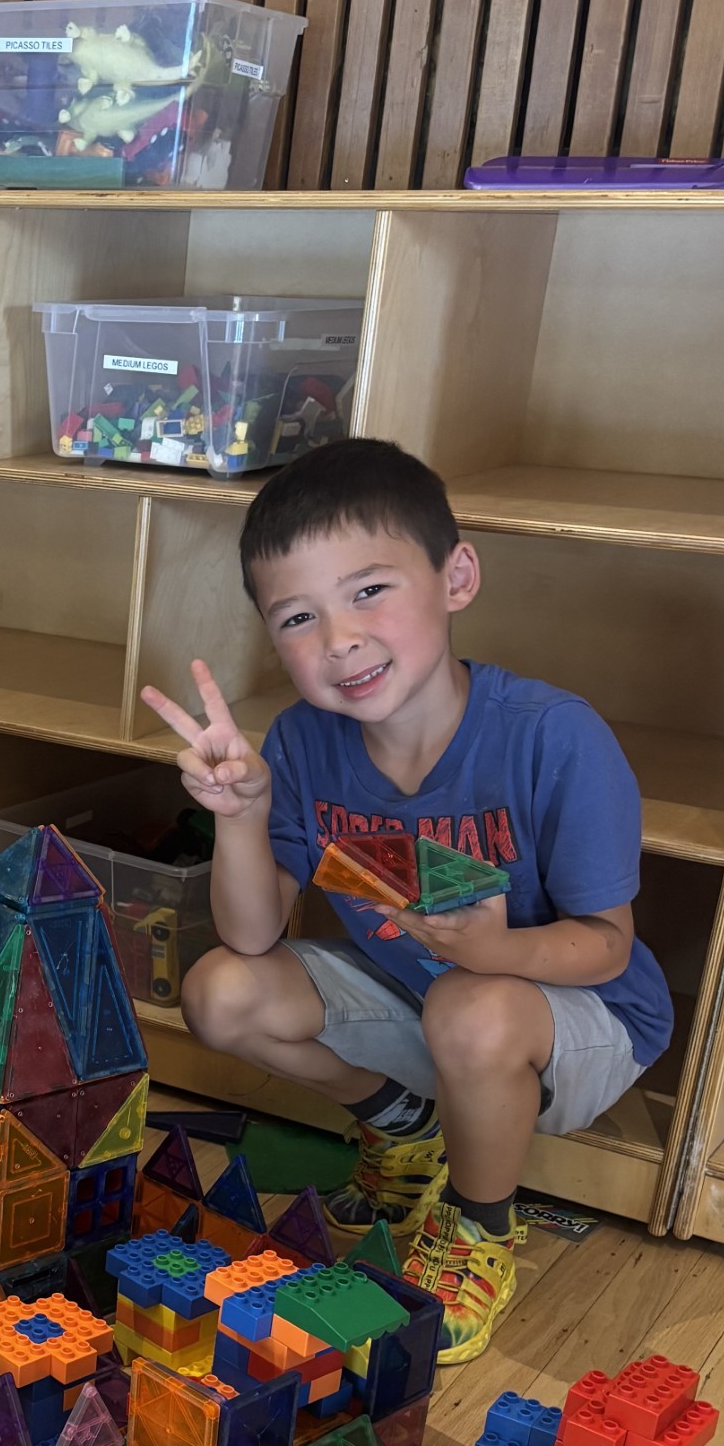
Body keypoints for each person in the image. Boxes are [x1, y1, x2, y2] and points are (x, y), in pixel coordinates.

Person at [141, 438, 670, 1363]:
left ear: (456, 576)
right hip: (432, 1009)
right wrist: (242, 814)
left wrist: (494, 954)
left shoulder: (555, 737)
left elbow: (608, 947)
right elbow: (252, 934)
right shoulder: (306, 741)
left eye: (369, 591)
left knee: (470, 1002)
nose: (338, 639)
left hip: (582, 1019)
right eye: (297, 617)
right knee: (221, 989)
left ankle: (478, 1230)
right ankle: (405, 1125)